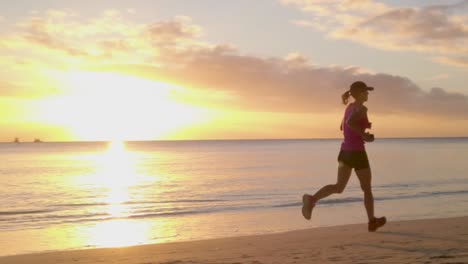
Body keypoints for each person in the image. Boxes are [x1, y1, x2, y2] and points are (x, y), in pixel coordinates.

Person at [302, 81, 386, 232]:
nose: (368, 94)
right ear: (359, 93)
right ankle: (372, 221)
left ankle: (311, 199)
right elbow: (349, 123)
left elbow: (343, 127)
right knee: (367, 189)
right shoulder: (361, 108)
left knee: (339, 187)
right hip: (357, 153)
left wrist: (362, 134)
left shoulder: (349, 108)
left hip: (345, 152)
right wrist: (364, 136)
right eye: (366, 92)